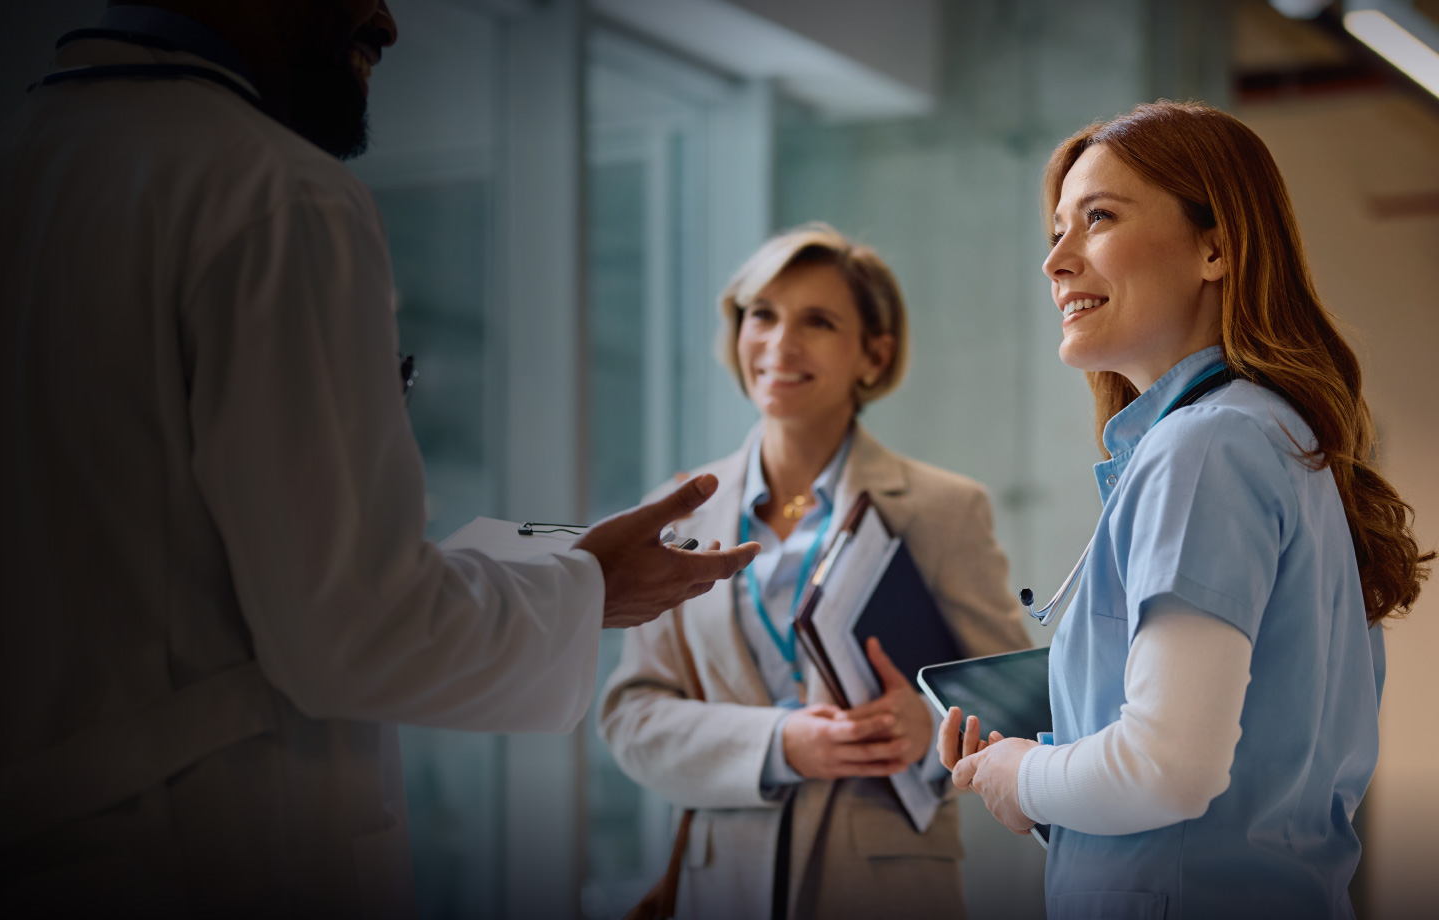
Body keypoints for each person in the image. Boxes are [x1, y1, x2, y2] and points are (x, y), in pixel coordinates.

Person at [0, 1, 757, 915]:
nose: (389, 22)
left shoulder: (37, 161)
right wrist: (589, 586)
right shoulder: (275, 193)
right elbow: (355, 629)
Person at [938, 101, 1433, 918]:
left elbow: (1168, 767)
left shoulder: (1205, 447)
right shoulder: (1273, 437)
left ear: (1217, 245)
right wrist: (1046, 776)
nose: (1055, 261)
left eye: (1097, 218)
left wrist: (1018, 773)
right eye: (1056, 231)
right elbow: (1224, 777)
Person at [601, 223, 1031, 920]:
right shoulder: (677, 513)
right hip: (720, 889)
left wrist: (930, 731)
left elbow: (1011, 702)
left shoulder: (944, 509)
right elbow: (631, 716)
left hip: (889, 890)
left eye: (818, 321)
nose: (778, 342)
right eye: (761, 315)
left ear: (874, 354)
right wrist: (778, 743)